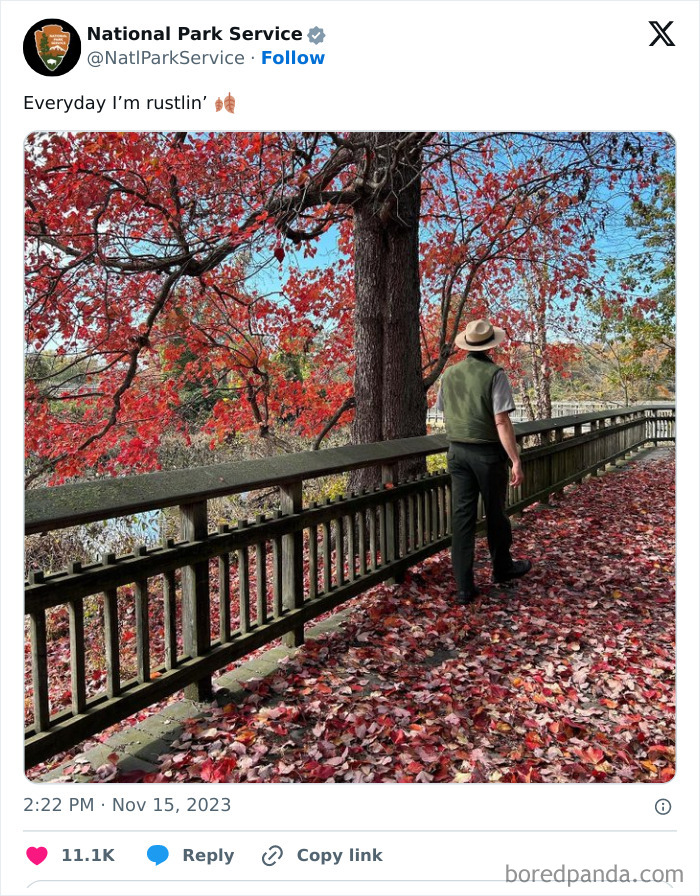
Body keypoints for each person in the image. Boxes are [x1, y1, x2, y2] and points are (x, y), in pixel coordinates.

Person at [436, 318, 532, 604]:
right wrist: (515, 459)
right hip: (487, 455)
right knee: (495, 513)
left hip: (457, 452)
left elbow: (443, 409)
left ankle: (464, 587)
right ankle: (502, 568)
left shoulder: (450, 374)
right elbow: (501, 420)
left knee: (462, 519)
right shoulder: (495, 373)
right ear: (491, 346)